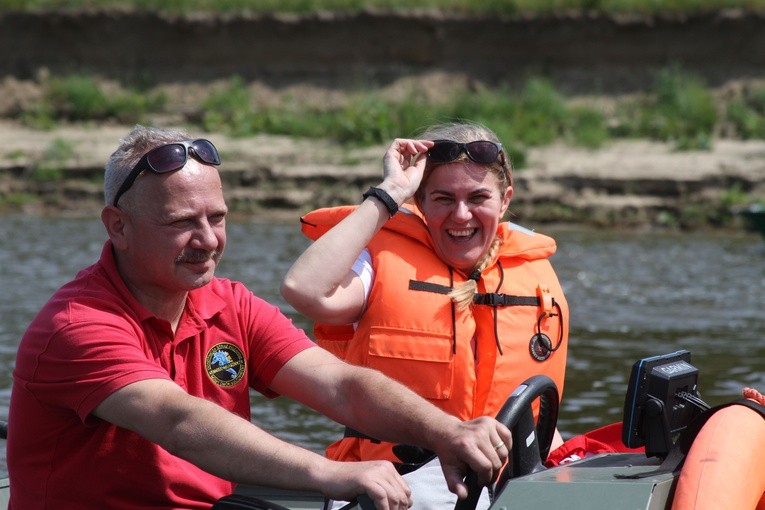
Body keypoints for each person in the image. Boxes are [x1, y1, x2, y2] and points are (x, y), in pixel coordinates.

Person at [6, 125, 514, 510]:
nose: (207, 241)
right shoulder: (78, 326)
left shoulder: (230, 303)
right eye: (181, 223)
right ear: (118, 227)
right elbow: (180, 422)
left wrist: (447, 431)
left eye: (217, 218)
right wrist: (331, 473)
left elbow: (339, 384)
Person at [281, 122, 569, 508]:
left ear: (505, 201)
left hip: (515, 484)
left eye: (478, 197)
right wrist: (389, 194)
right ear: (420, 203)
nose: (461, 215)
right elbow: (303, 289)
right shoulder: (377, 265)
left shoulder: (536, 275)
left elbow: (541, 418)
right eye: (443, 199)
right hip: (396, 486)